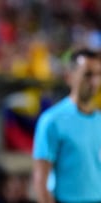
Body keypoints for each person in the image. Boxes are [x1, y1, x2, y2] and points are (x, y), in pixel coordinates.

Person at [32, 49, 101, 203]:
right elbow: (40, 181)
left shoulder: (99, 120)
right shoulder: (52, 120)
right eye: (88, 74)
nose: (94, 81)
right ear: (70, 77)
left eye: (98, 74)